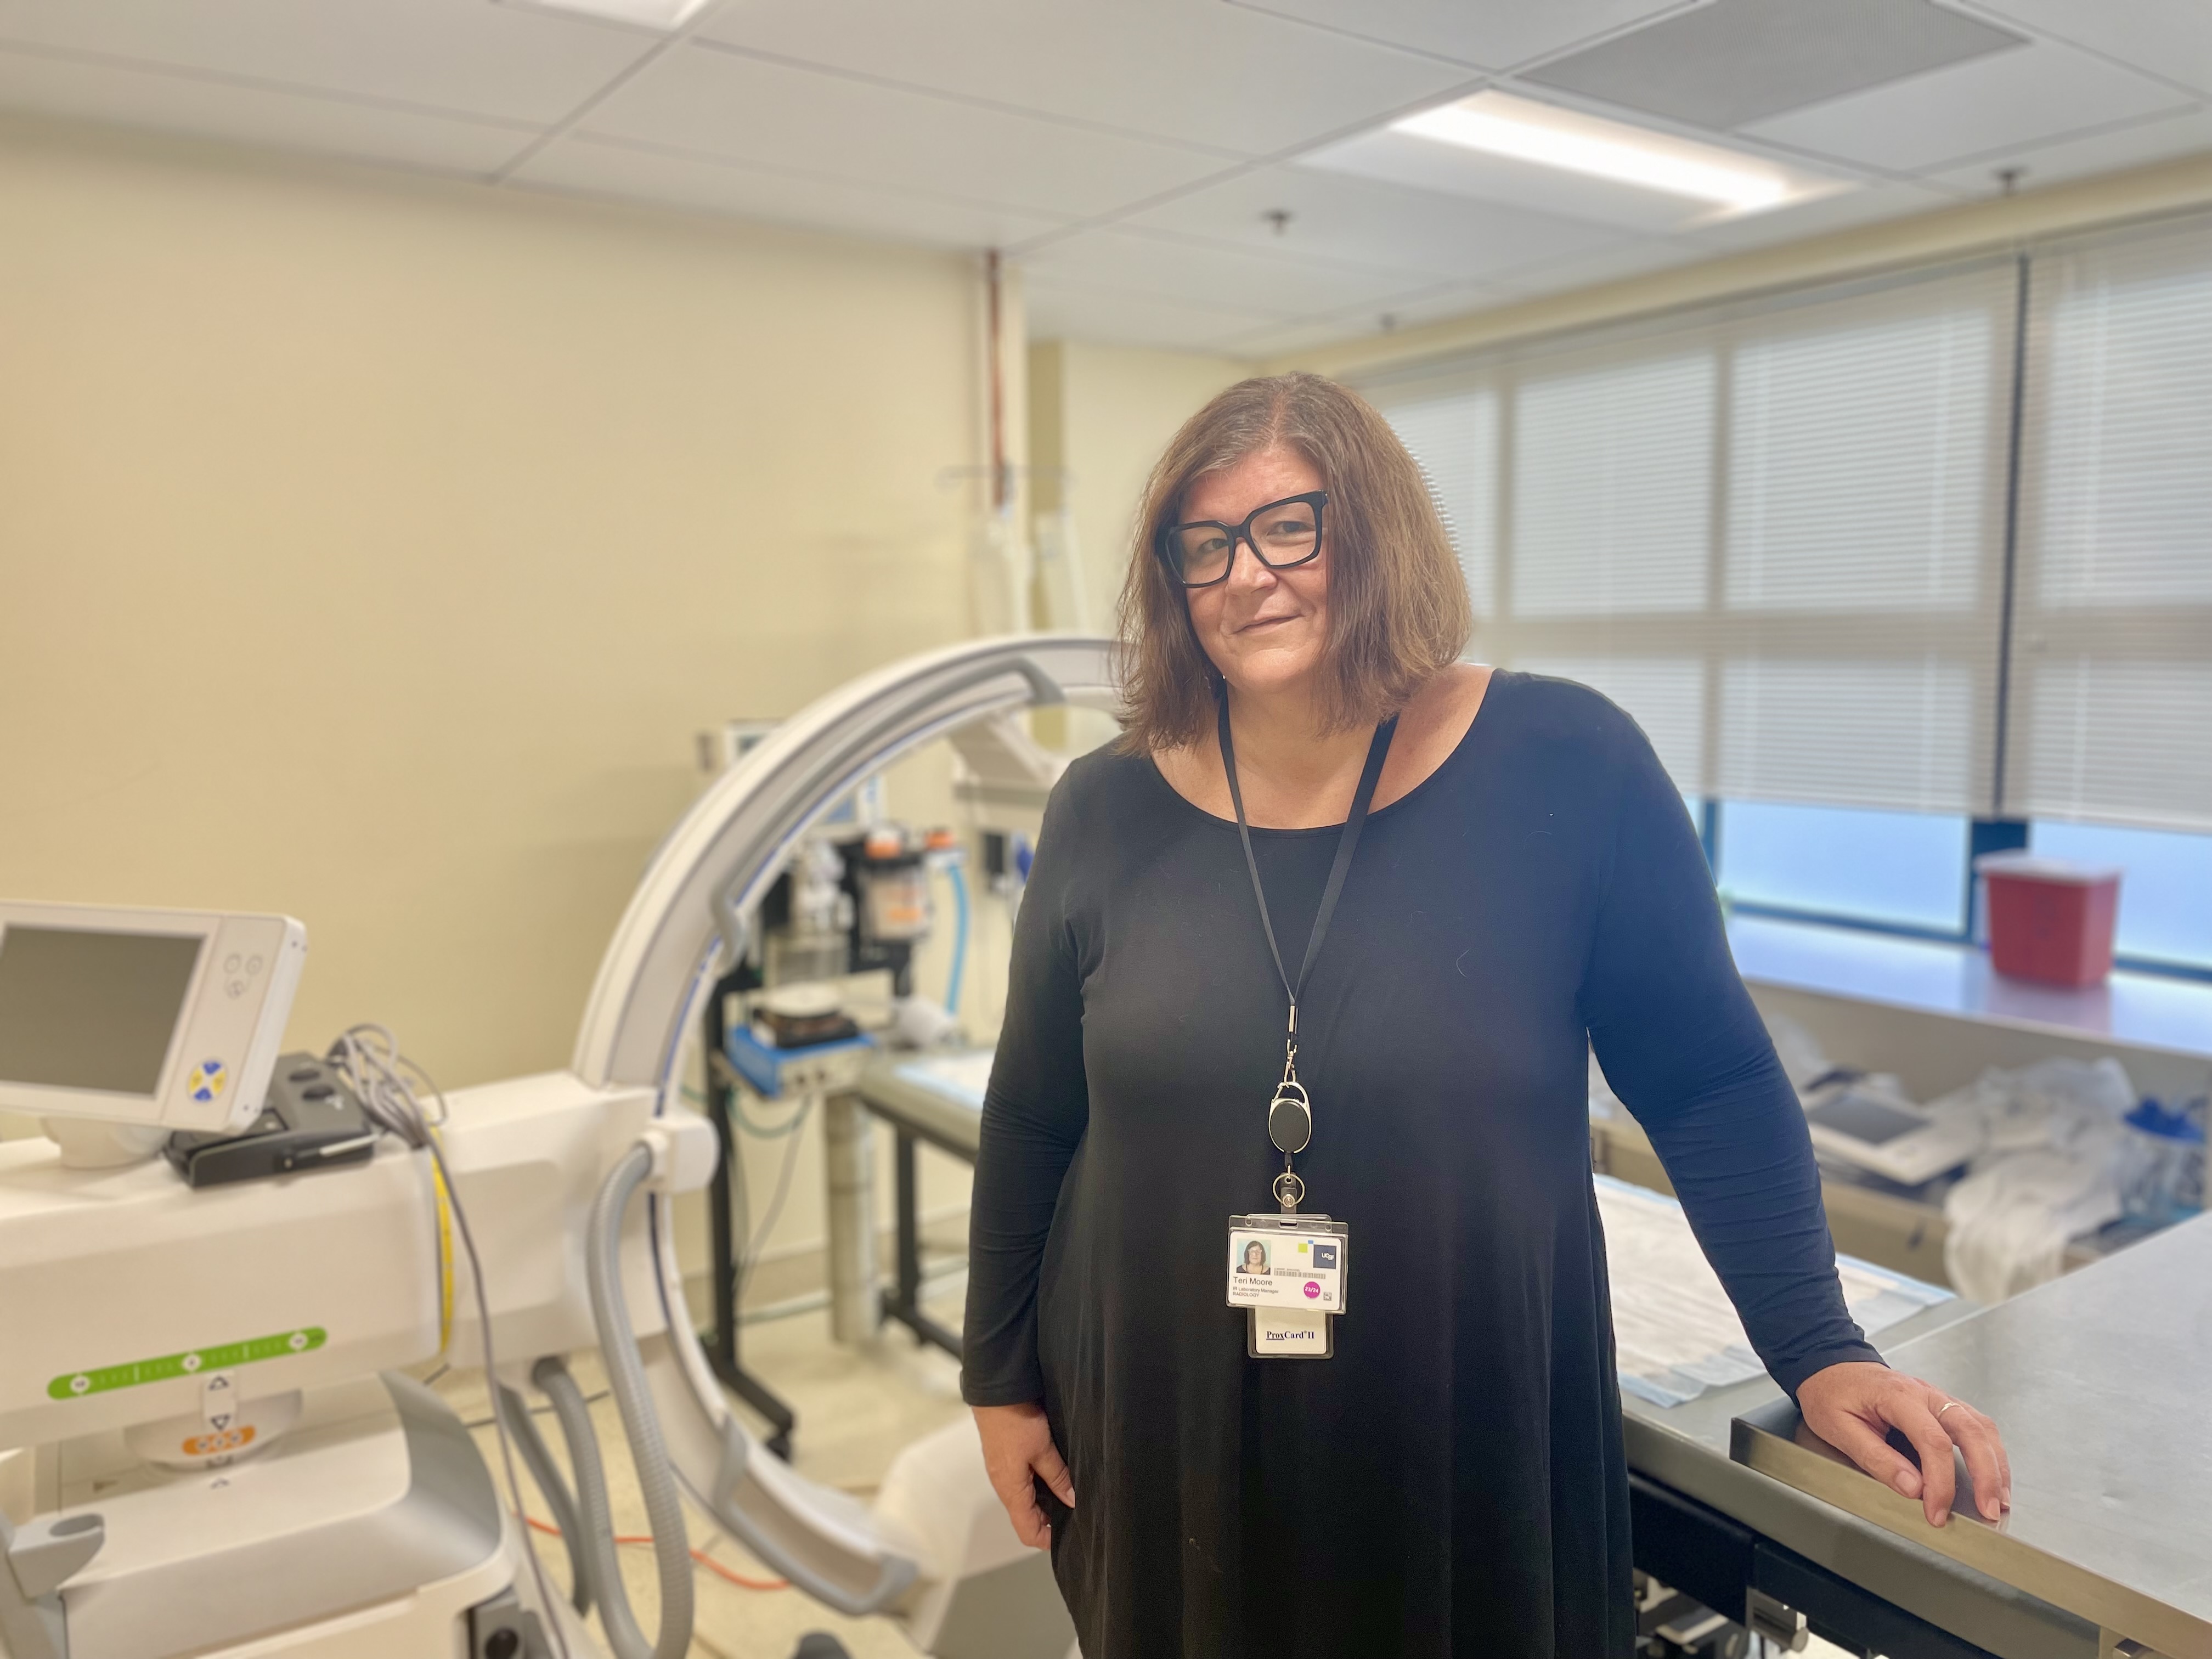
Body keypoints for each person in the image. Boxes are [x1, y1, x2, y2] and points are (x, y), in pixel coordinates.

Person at [961, 373, 2011, 1657]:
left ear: (1378, 532)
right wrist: (999, 1379)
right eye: (1206, 545)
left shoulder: (1567, 766)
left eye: (1293, 526)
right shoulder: (1102, 811)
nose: (1249, 574)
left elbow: (1706, 1080)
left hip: (1464, 1422)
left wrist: (1819, 1346)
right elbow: (1031, 1114)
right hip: (1168, 1422)